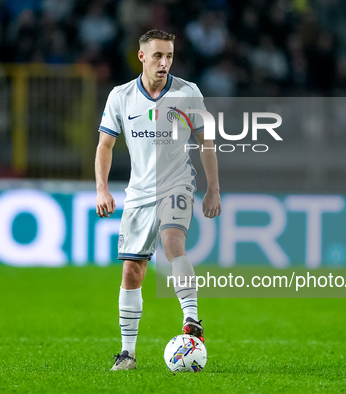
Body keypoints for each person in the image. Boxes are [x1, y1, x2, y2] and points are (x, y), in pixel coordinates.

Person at [94, 29, 221, 371]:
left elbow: (206, 143)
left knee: (171, 241)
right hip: (138, 194)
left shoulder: (188, 93)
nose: (164, 63)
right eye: (158, 56)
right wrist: (102, 188)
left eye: (169, 56)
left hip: (176, 184)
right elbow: (105, 145)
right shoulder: (121, 96)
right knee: (132, 272)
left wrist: (213, 189)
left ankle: (191, 320)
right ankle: (127, 353)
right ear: (141, 57)